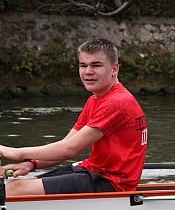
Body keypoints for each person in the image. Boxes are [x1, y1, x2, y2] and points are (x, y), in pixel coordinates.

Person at [0, 37, 147, 195]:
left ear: (114, 69)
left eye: (96, 65)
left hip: (112, 183)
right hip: (92, 171)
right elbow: (65, 145)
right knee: (15, 186)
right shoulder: (95, 100)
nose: (88, 72)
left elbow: (70, 149)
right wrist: (30, 165)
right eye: (83, 65)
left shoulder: (116, 102)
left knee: (15, 189)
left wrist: (16, 153)